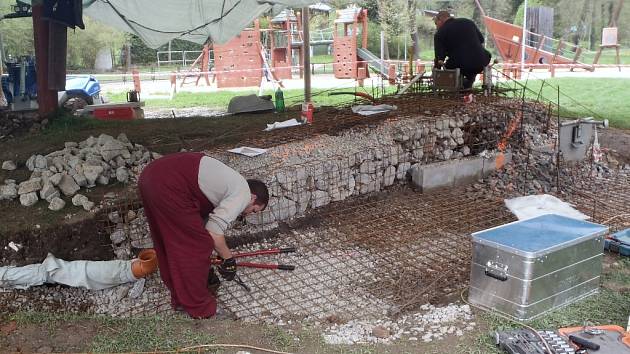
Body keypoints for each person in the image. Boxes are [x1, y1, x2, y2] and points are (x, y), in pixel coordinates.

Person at [138, 152, 269, 318]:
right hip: (169, 184)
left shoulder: (227, 184)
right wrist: (229, 259)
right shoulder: (243, 193)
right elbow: (213, 233)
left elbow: (204, 222)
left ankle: (180, 299)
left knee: (169, 242)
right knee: (198, 245)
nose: (248, 213)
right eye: (254, 210)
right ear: (253, 198)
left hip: (151, 176)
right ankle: (201, 309)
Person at [433, 10, 491, 89]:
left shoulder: (439, 34)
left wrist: (436, 75)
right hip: (481, 61)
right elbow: (481, 40)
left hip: (459, 65)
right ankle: (468, 83)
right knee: (470, 63)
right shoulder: (468, 22)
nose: (436, 27)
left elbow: (439, 58)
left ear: (440, 19)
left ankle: (459, 86)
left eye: (436, 24)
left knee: (450, 65)